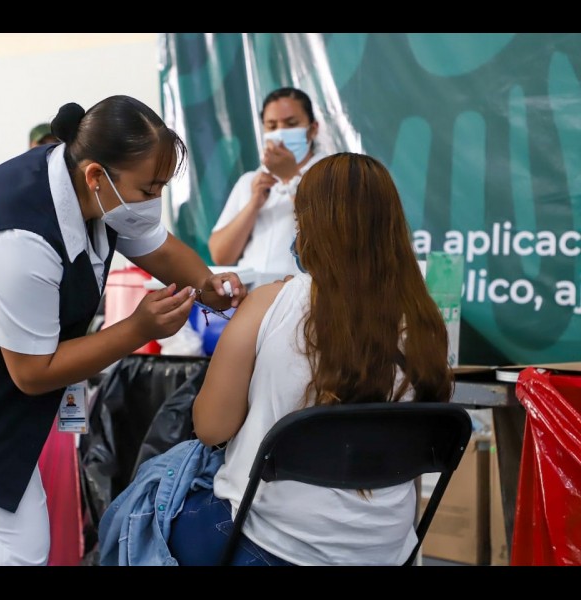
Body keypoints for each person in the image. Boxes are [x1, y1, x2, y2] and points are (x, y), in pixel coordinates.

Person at [0, 95, 247, 566]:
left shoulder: (96, 189)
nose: (154, 202)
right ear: (96, 176)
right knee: (13, 547)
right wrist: (137, 328)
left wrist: (208, 285)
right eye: (149, 189)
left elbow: (158, 247)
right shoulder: (18, 238)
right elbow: (32, 371)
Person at [98, 152, 454, 566]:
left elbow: (211, 428)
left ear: (312, 227)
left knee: (150, 493)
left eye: (299, 223)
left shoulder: (271, 303)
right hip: (386, 552)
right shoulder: (427, 322)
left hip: (267, 545)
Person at [208, 87, 328, 281]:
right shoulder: (250, 181)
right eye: (272, 126)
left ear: (312, 129)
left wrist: (290, 180)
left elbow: (331, 241)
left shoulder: (330, 176)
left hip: (302, 291)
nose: (280, 133)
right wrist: (253, 204)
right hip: (249, 292)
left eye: (291, 124)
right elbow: (221, 256)